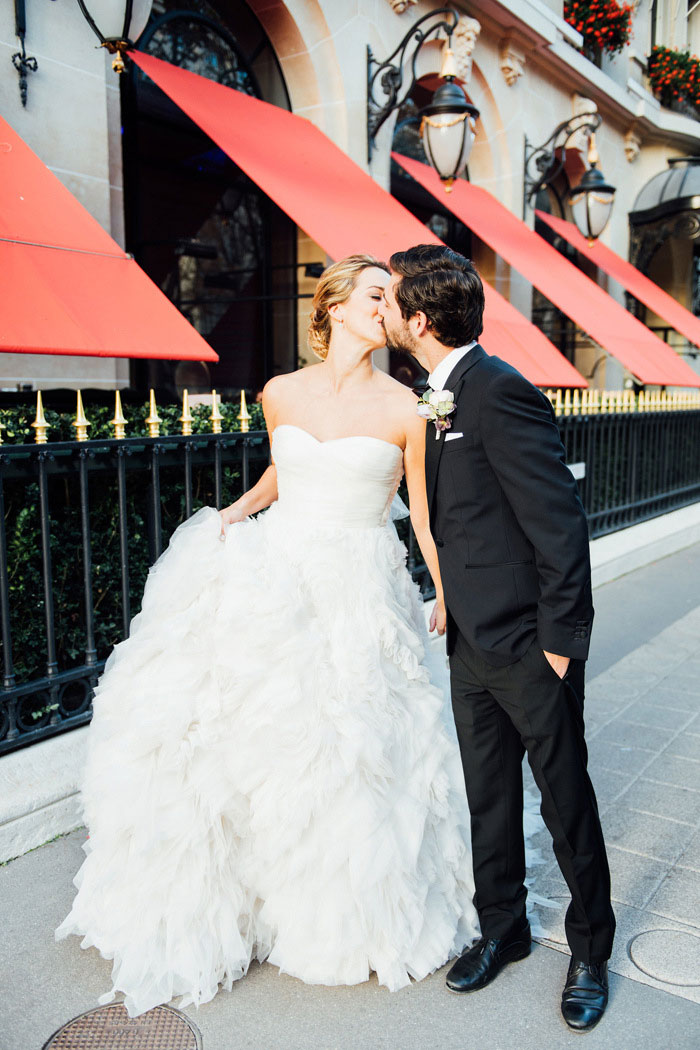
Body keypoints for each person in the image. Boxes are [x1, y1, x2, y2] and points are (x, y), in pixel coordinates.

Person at [56, 255, 480, 1017]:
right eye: (378, 294)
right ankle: (255, 900)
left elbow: (421, 514)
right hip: (278, 574)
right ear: (339, 307)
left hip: (359, 584)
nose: (393, 306)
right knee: (262, 736)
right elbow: (280, 478)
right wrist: (227, 518)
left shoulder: (408, 407)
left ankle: (330, 916)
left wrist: (446, 593)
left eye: (394, 296)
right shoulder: (279, 393)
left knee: (350, 748)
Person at [378, 244, 615, 1034]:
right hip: (470, 642)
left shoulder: (500, 391)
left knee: (565, 798)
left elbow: (560, 527)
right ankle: (503, 928)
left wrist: (560, 645)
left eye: (391, 302)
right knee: (489, 797)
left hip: (527, 645)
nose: (383, 312)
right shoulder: (437, 395)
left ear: (417, 319)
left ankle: (590, 949)